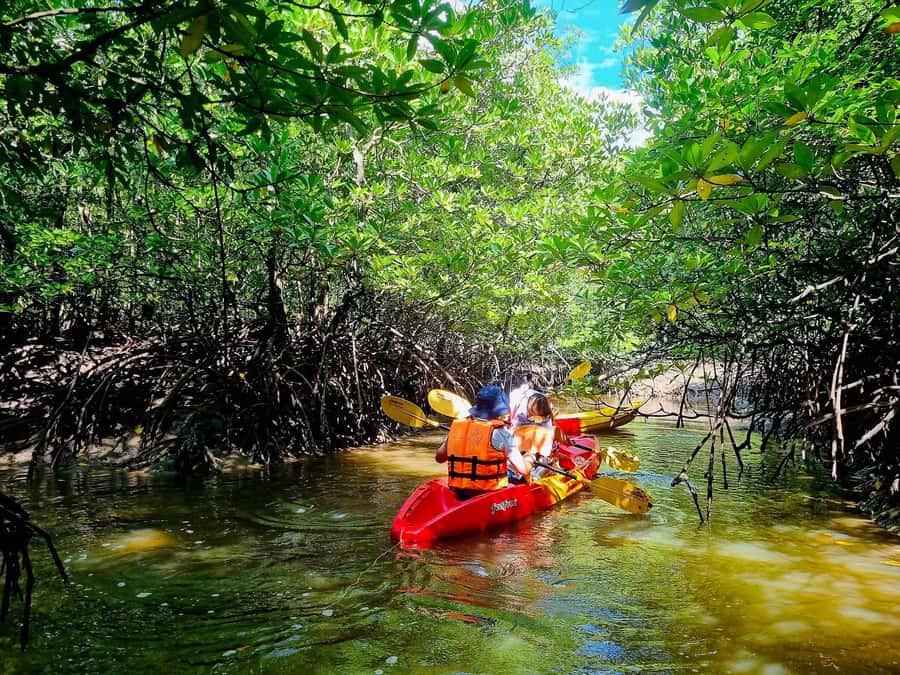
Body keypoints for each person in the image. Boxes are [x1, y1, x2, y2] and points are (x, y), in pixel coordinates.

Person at [435, 385, 533, 497]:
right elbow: (523, 470)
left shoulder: (456, 428)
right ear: (500, 411)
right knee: (520, 479)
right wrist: (530, 457)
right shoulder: (501, 433)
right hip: (488, 492)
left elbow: (439, 458)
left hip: (458, 490)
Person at [510, 392, 557, 480]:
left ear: (541, 408)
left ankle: (534, 472)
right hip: (524, 447)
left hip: (538, 451)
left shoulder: (546, 420)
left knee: (536, 458)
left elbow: (546, 436)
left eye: (533, 404)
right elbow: (515, 429)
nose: (529, 406)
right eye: (530, 402)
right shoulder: (523, 417)